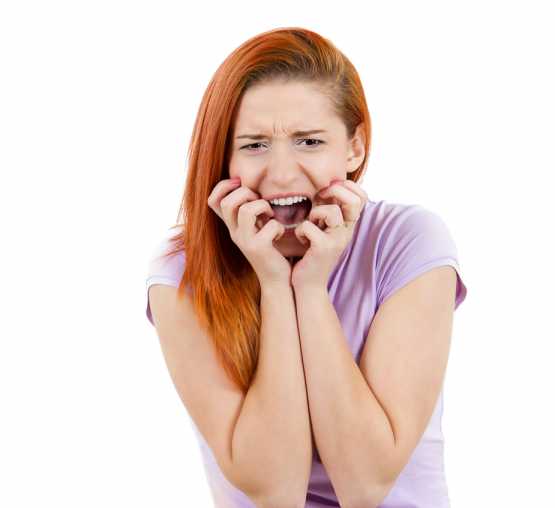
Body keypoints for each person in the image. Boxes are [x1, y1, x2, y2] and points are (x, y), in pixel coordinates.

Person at [145, 27, 467, 508]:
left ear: (354, 147)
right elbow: (276, 493)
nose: (281, 173)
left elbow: (366, 486)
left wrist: (312, 290)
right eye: (253, 145)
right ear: (223, 156)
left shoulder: (409, 241)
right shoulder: (180, 273)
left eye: (310, 141)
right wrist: (276, 285)